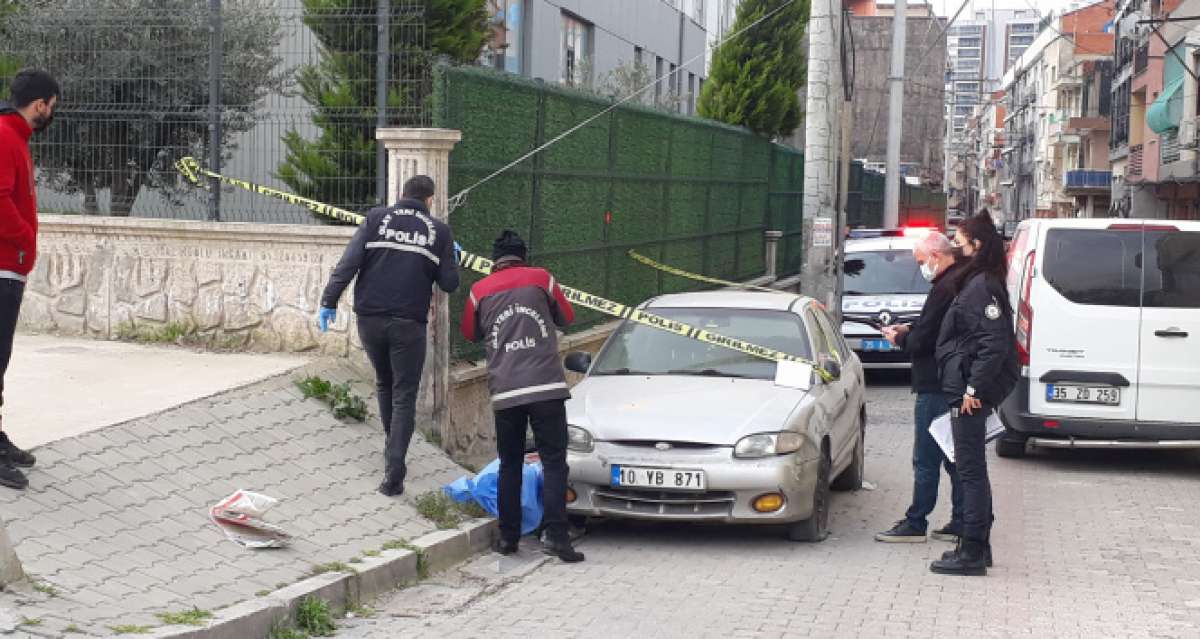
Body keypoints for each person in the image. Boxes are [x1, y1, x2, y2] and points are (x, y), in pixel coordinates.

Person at [318, 175, 460, 497]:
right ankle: (394, 470)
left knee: (384, 382)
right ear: (430, 201)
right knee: (404, 393)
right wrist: (451, 257)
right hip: (409, 324)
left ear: (400, 194)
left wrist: (329, 301)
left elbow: (348, 264)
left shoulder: (375, 218)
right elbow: (449, 284)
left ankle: (391, 447)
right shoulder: (439, 231)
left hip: (370, 319)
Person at [461, 230, 584, 563]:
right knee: (555, 462)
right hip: (546, 387)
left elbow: (470, 333)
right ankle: (557, 537)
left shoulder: (478, 290)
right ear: (523, 255)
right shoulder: (541, 279)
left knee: (510, 464)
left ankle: (508, 539)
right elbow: (568, 317)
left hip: (506, 390)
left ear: (494, 260)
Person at [930, 211, 1018, 576]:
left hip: (972, 393)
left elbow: (993, 344)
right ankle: (978, 546)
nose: (956, 247)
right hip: (969, 387)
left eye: (961, 242)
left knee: (970, 471)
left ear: (976, 246)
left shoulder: (981, 285)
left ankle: (972, 551)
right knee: (971, 470)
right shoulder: (979, 280)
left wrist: (972, 389)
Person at [875, 231, 965, 544]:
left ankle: (916, 522)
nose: (921, 268)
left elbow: (927, 339)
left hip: (935, 384)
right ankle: (961, 519)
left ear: (936, 257)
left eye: (921, 261)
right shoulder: (959, 281)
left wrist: (900, 338)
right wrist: (911, 327)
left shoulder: (945, 287)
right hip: (953, 382)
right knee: (954, 456)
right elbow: (933, 324)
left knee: (927, 458)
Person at [0, 70, 60, 490]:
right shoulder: (5, 136)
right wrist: (24, 239)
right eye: (52, 106)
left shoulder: (14, 136)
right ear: (40, 103)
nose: (52, 113)